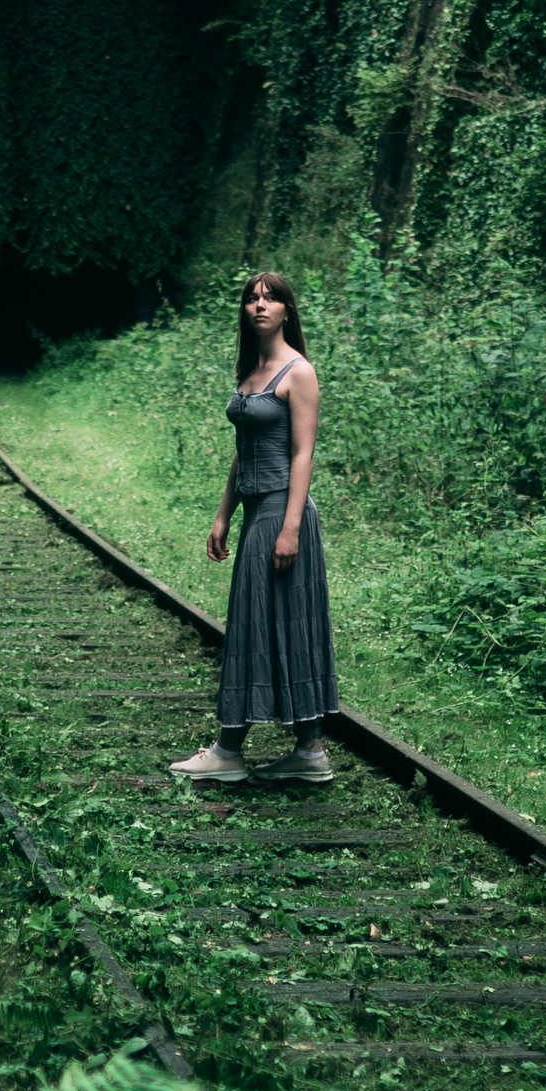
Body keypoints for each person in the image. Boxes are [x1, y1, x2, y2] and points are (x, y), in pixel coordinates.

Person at [170, 271, 340, 783]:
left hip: (282, 514)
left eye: (271, 298)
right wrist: (224, 513)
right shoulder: (252, 370)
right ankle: (309, 751)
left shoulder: (297, 371)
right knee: (281, 622)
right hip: (253, 512)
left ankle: (228, 751)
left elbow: (303, 453)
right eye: (252, 298)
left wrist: (289, 528)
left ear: (288, 310)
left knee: (263, 624)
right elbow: (243, 451)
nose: (260, 305)